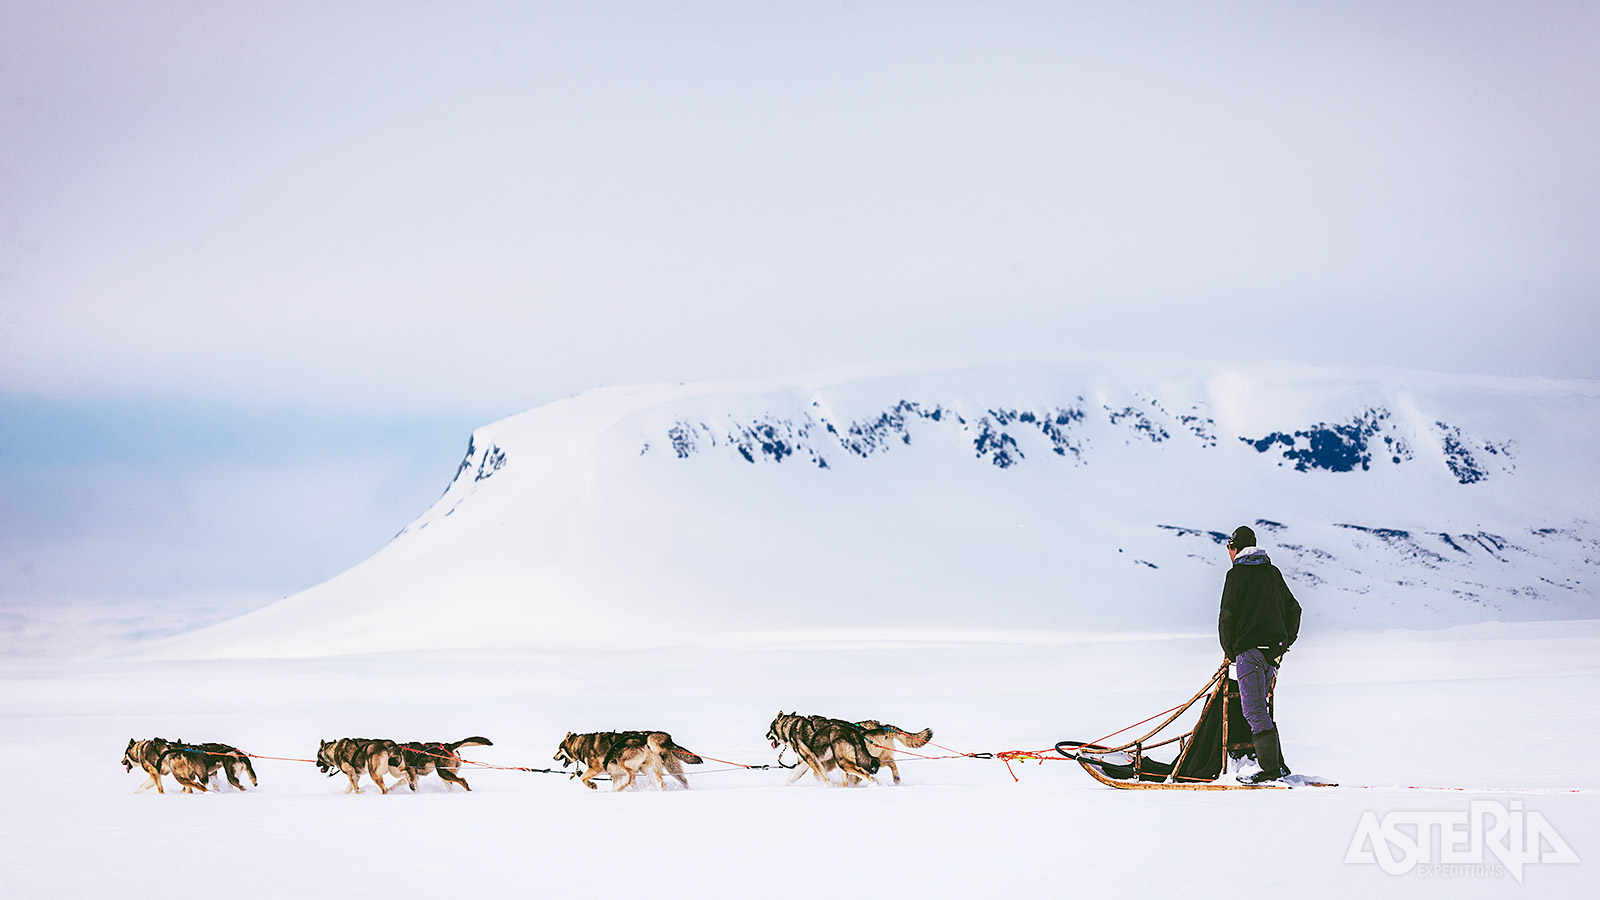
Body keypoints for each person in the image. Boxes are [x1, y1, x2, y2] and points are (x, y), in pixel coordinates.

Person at [1218, 525, 1302, 784]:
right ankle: (1276, 765)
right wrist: (1284, 643)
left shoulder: (1237, 575)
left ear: (1235, 549)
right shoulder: (1272, 573)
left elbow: (1227, 616)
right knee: (1261, 709)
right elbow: (1294, 609)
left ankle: (1270, 770)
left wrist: (1230, 650)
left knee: (1254, 711)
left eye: (1230, 549)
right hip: (1272, 655)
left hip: (1250, 653)